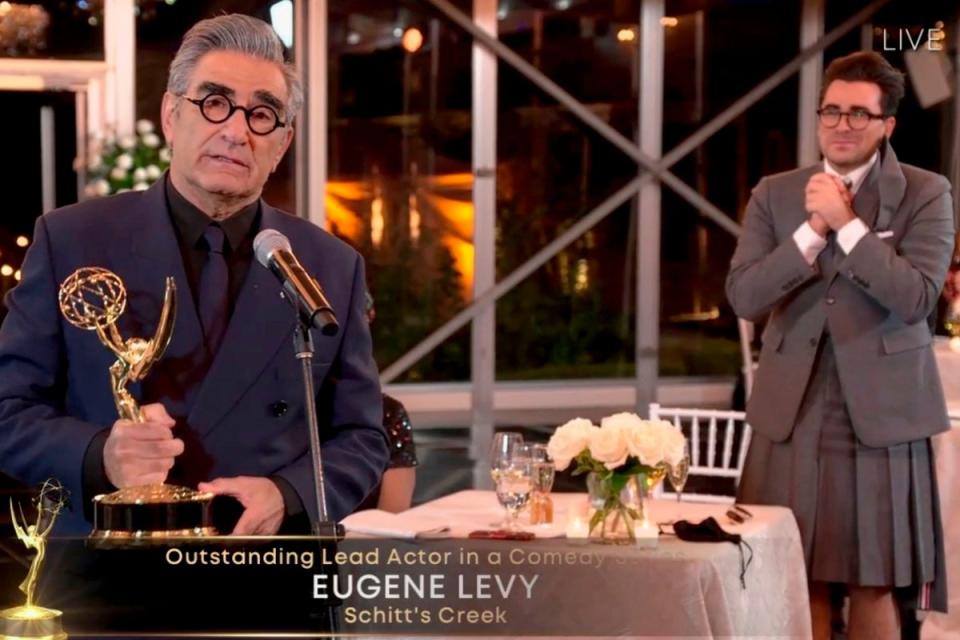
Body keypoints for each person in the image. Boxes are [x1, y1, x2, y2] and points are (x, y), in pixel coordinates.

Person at [0, 14, 389, 537]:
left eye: (262, 115)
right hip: (108, 573)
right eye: (214, 103)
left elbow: (362, 438)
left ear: (283, 142)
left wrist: (288, 494)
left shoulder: (329, 267)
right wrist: (100, 456)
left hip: (263, 574)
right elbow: (9, 410)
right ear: (169, 115)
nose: (236, 130)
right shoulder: (72, 240)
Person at [727, 51, 953, 639]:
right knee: (794, 573)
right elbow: (745, 296)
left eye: (859, 113)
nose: (842, 125)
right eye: (832, 111)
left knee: (871, 577)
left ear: (887, 126)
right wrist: (811, 232)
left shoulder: (927, 193)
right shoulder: (775, 194)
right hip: (790, 410)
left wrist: (848, 225)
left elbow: (917, 298)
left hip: (880, 415)